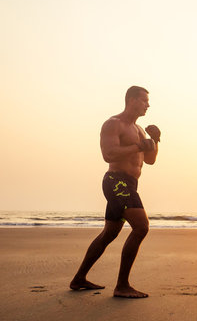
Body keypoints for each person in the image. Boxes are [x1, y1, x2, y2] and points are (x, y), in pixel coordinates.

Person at [70, 86, 161, 298]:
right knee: (141, 227)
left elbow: (150, 160)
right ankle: (122, 285)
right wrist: (139, 147)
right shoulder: (113, 124)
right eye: (144, 100)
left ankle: (79, 279)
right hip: (116, 182)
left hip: (129, 184)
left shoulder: (139, 131)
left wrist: (155, 140)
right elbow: (109, 154)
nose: (148, 105)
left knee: (109, 233)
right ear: (131, 100)